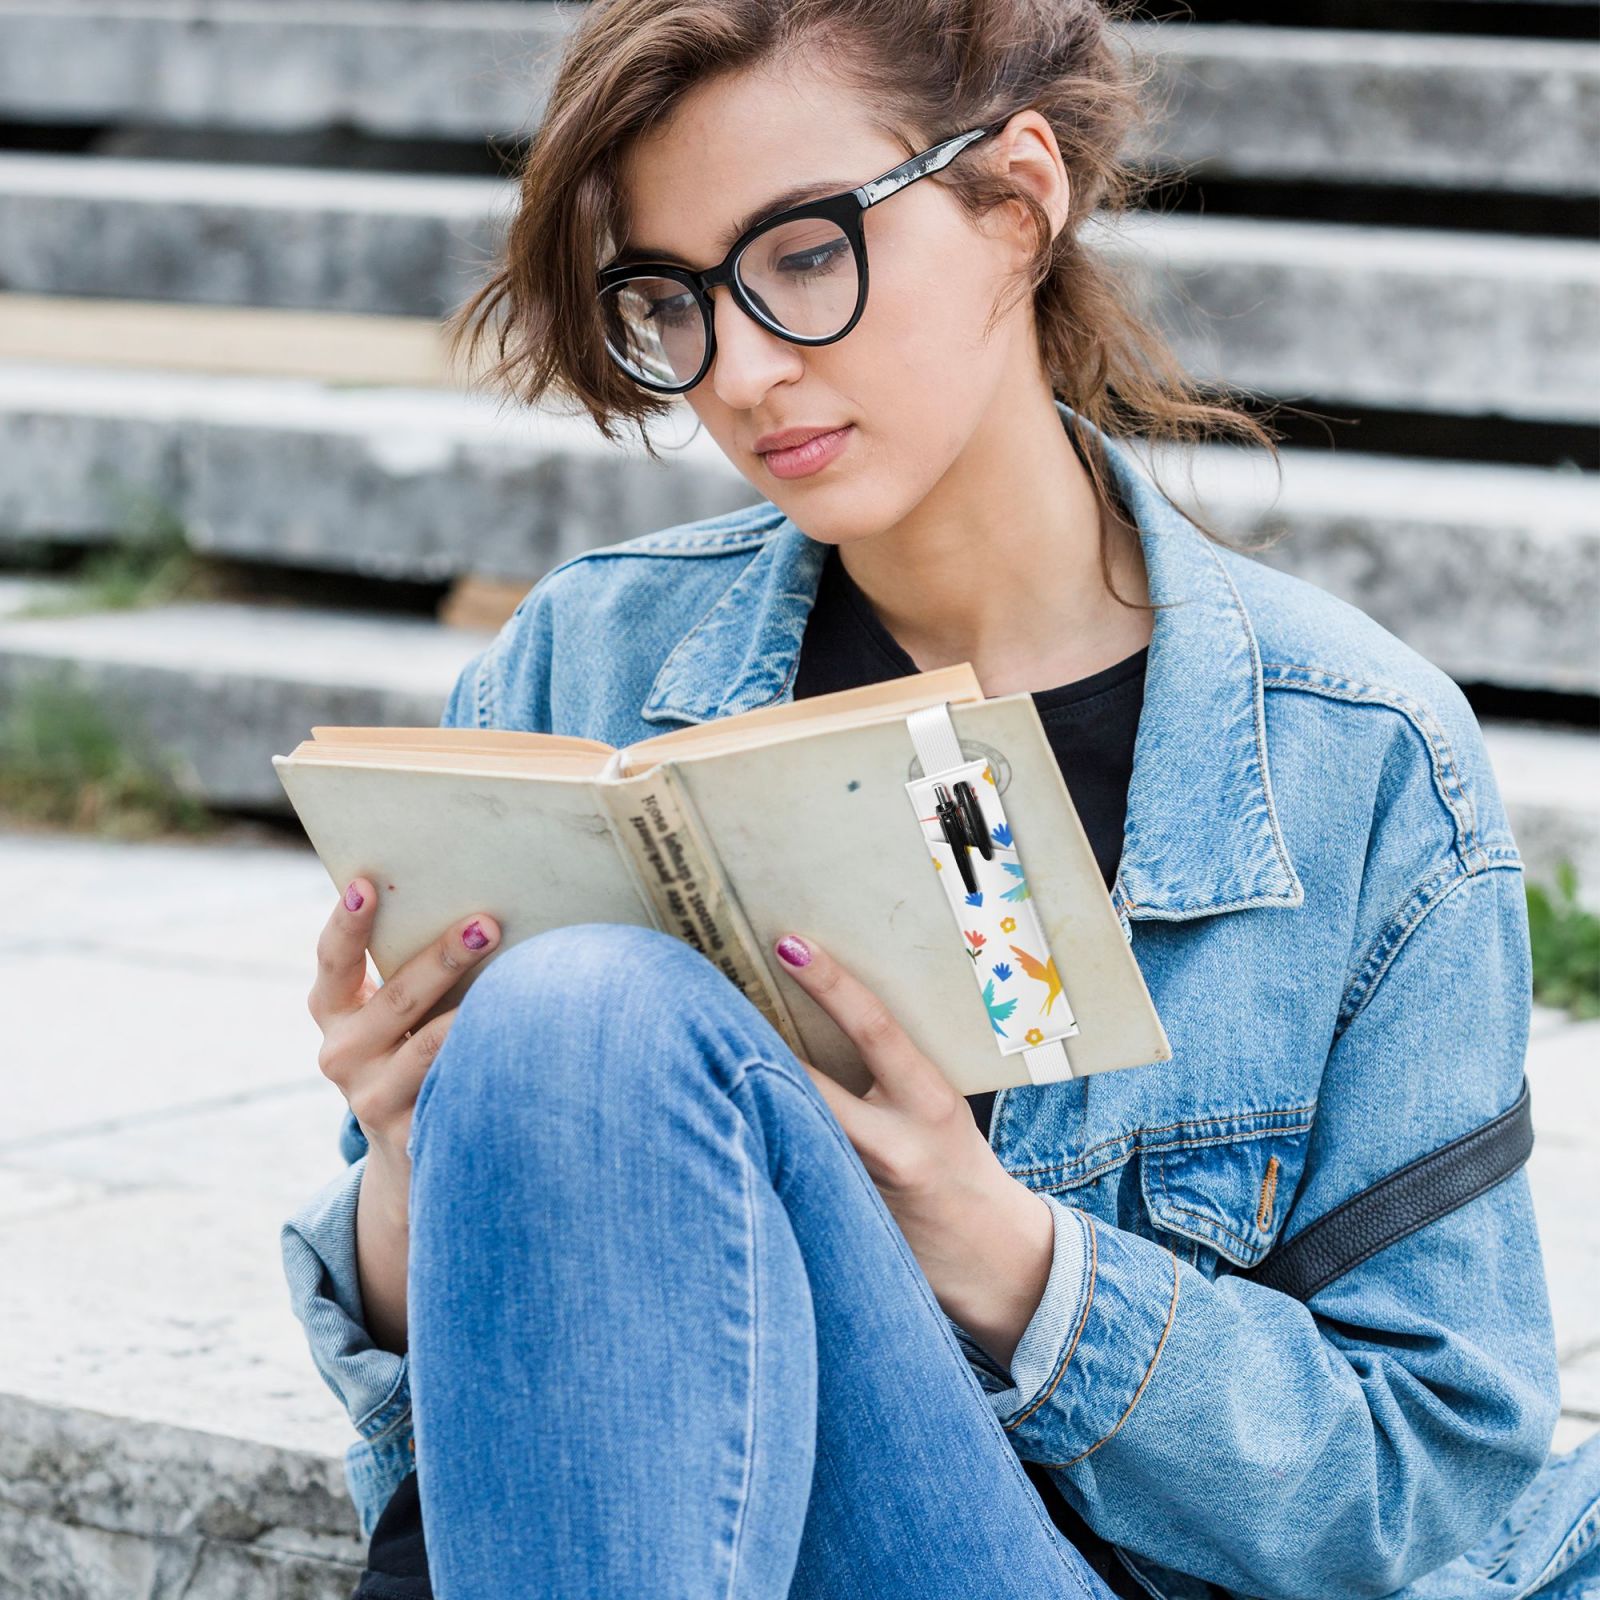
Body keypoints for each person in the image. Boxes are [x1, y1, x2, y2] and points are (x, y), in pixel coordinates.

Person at [280, 1, 1600, 1595]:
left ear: (1018, 201)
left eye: (804, 254)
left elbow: (1428, 1486)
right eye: (674, 300)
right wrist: (421, 1157)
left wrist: (1000, 1252)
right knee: (580, 1023)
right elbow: (488, 1445)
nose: (746, 370)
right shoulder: (586, 664)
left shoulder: (1357, 761)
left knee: (584, 1014)